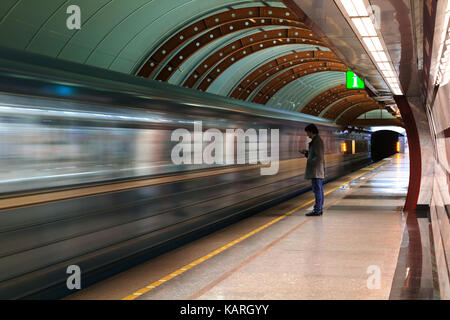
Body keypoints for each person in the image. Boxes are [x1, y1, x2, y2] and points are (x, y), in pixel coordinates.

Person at [300, 124, 325, 216]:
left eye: (307, 132)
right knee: (318, 190)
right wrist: (307, 153)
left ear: (311, 131)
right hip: (316, 170)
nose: (307, 134)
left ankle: (317, 210)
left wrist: (310, 162)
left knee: (317, 190)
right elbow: (314, 155)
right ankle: (318, 209)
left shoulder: (317, 141)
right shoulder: (316, 141)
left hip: (316, 171)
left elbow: (318, 157)